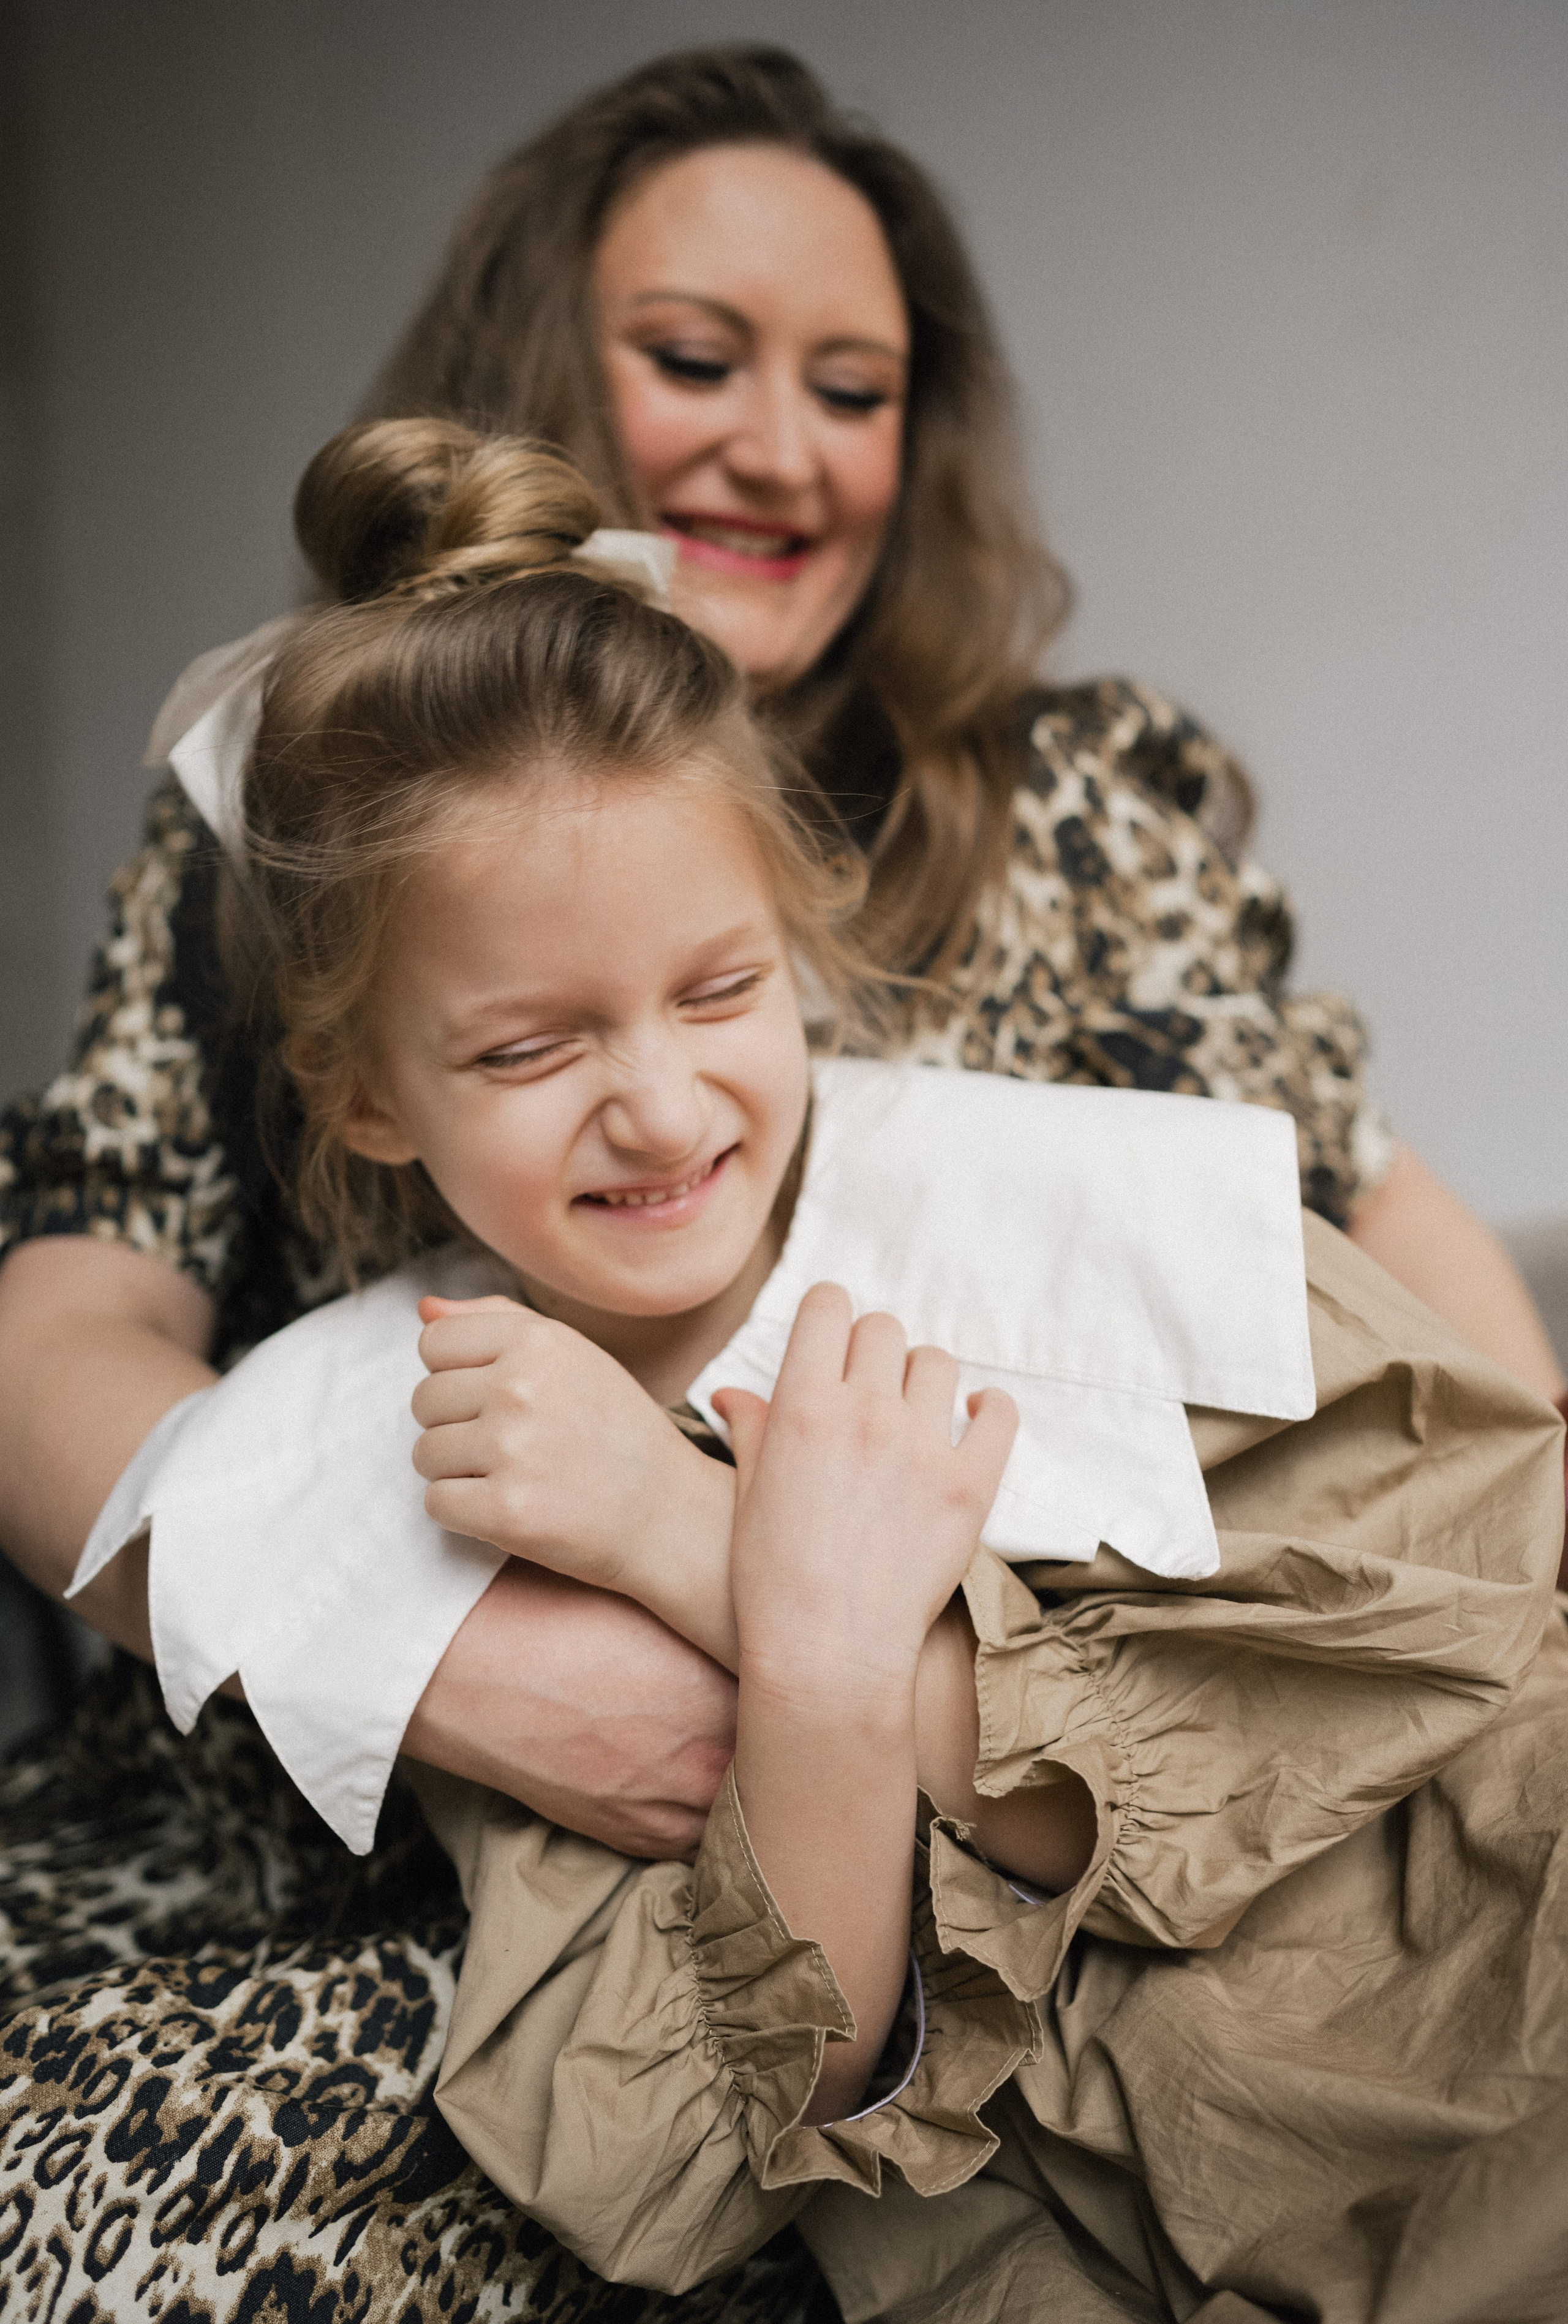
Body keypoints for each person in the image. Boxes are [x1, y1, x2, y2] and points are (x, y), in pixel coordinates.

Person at [25, 420, 1564, 2324]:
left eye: (720, 988)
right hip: (1204, 2225)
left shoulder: (1049, 1214)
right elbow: (706, 2148)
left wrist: (700, 1544)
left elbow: (1424, 1664)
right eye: (525, 1050)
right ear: (367, 1095)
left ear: (798, 944)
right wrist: (819, 1674)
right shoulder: (443, 1436)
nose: (661, 1103)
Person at [1, 45, 1562, 1868]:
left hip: (981, 1823)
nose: (783, 445)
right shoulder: (294, 827)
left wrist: (1533, 1558)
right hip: (343, 1843)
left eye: (854, 387)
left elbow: (1361, 1208)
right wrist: (457, 1667)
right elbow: (60, 1342)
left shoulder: (1075, 799)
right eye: (693, 359)